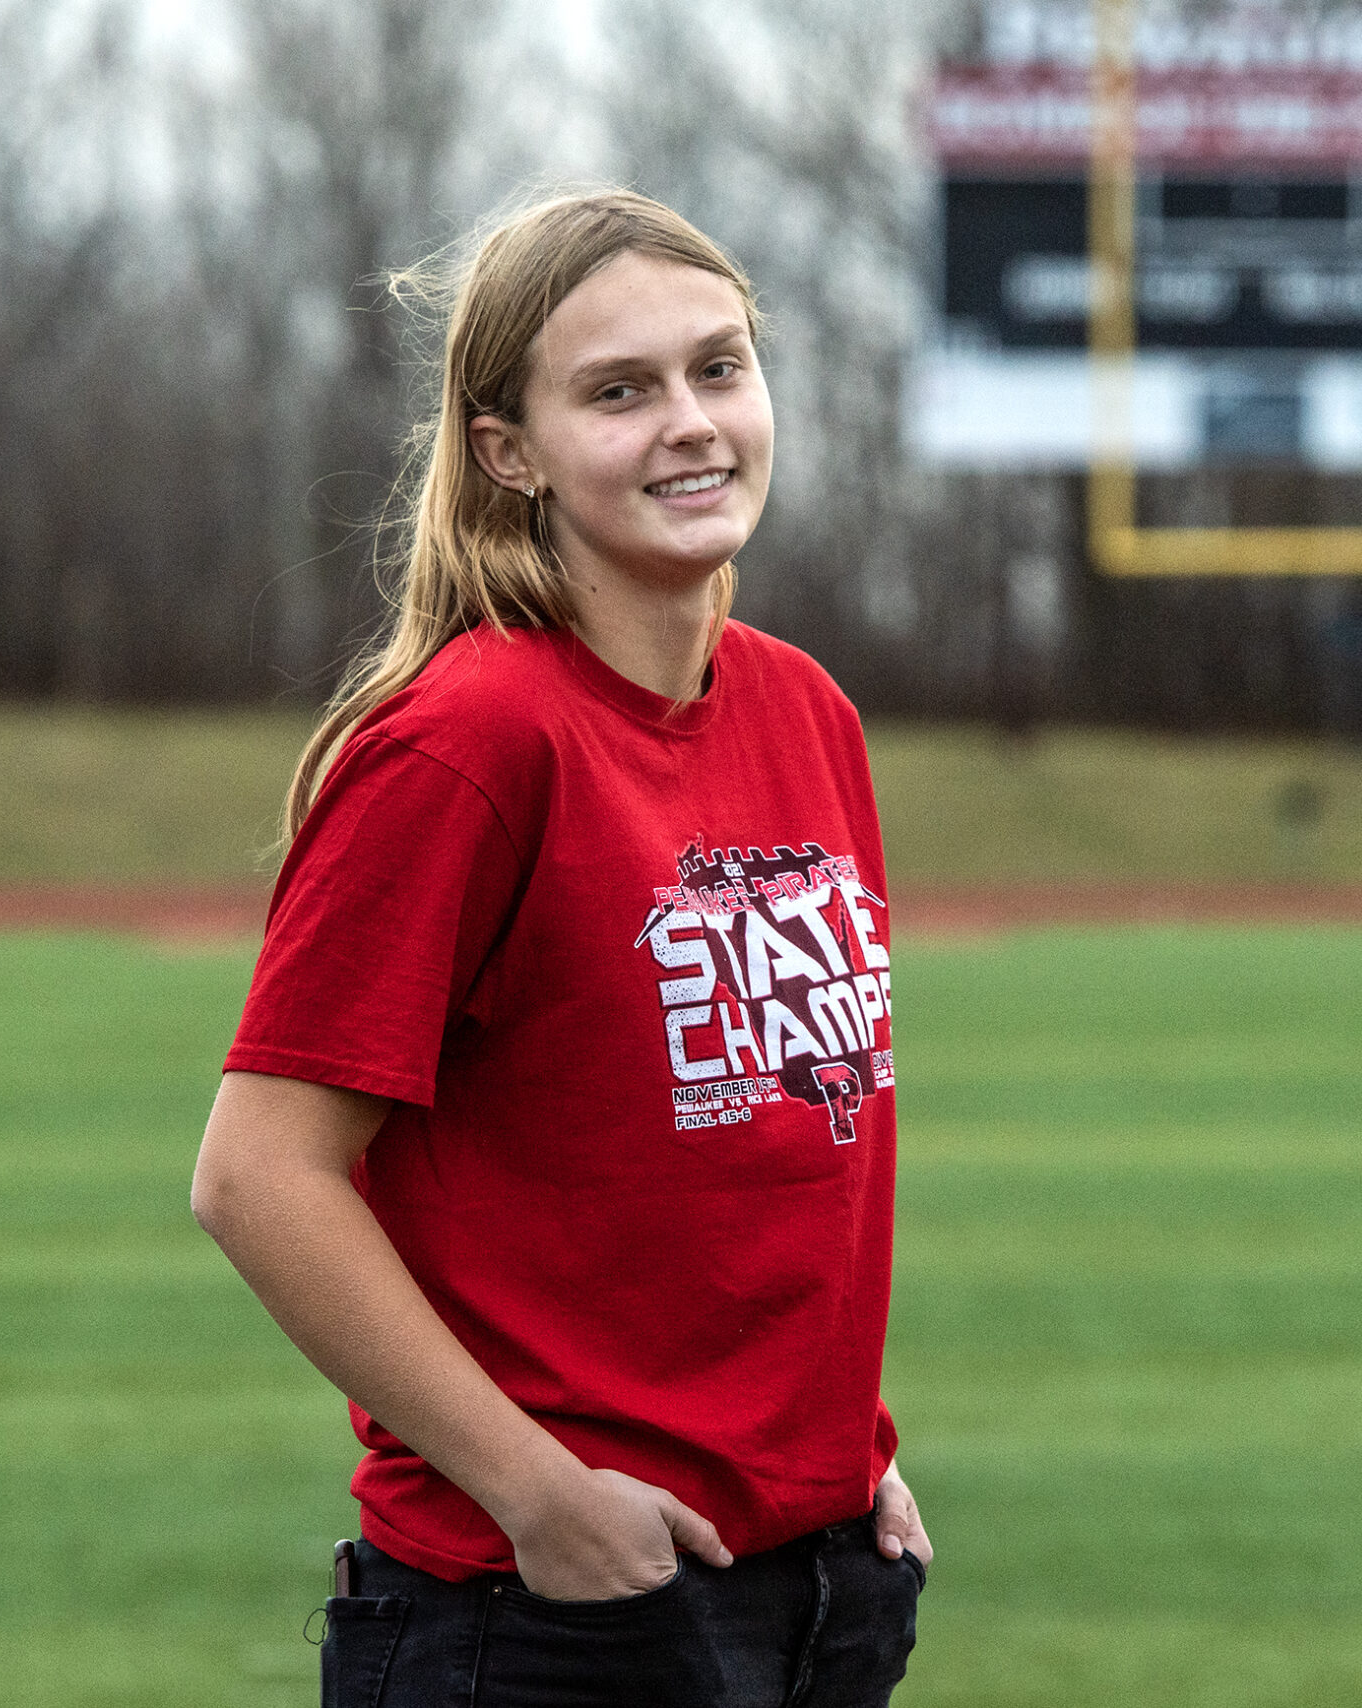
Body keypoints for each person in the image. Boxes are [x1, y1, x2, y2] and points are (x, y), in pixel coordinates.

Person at [191, 189, 928, 1708]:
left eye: (718, 368)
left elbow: (755, 1160)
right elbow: (258, 1177)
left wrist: (847, 1463)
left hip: (817, 1591)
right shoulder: (468, 742)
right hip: (548, 1620)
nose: (691, 424)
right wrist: (537, 1492)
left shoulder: (806, 711)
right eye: (619, 390)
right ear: (506, 451)